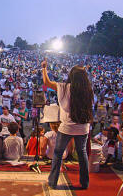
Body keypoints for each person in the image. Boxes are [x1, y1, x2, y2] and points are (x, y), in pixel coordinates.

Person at [42, 60, 93, 190]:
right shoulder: (88, 90)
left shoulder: (64, 87)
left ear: (71, 75)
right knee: (82, 154)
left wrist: (44, 68)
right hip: (83, 127)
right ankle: (85, 183)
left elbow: (47, 83)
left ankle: (52, 182)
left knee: (58, 153)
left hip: (67, 127)